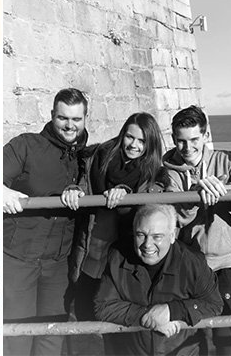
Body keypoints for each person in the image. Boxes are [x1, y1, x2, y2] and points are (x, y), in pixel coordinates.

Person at [3, 87, 89, 355]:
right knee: (16, 336)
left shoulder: (86, 157)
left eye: (76, 119)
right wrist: (0, 189)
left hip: (58, 264)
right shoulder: (26, 145)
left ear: (85, 119)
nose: (69, 125)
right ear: (52, 115)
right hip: (19, 260)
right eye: (63, 118)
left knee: (53, 334)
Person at [163, 105, 231, 355]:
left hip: (225, 264)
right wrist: (194, 196)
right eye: (181, 141)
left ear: (205, 136)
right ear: (173, 139)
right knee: (190, 335)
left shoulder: (224, 161)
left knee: (226, 335)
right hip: (186, 265)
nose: (188, 148)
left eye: (194, 140)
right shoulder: (168, 171)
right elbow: (174, 216)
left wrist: (223, 190)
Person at [68, 112, 169, 322]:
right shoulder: (97, 156)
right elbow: (81, 182)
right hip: (90, 252)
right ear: (122, 134)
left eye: (142, 141)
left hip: (124, 258)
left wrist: (125, 194)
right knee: (83, 312)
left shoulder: (155, 174)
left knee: (115, 316)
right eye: (130, 137)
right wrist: (74, 190)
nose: (134, 145)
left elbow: (150, 208)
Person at [94, 204, 223, 356]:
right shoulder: (118, 256)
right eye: (141, 235)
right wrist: (147, 316)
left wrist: (172, 311)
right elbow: (103, 306)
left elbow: (214, 304)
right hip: (133, 351)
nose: (148, 244)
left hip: (182, 351)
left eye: (157, 237)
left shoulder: (191, 262)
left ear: (173, 235)